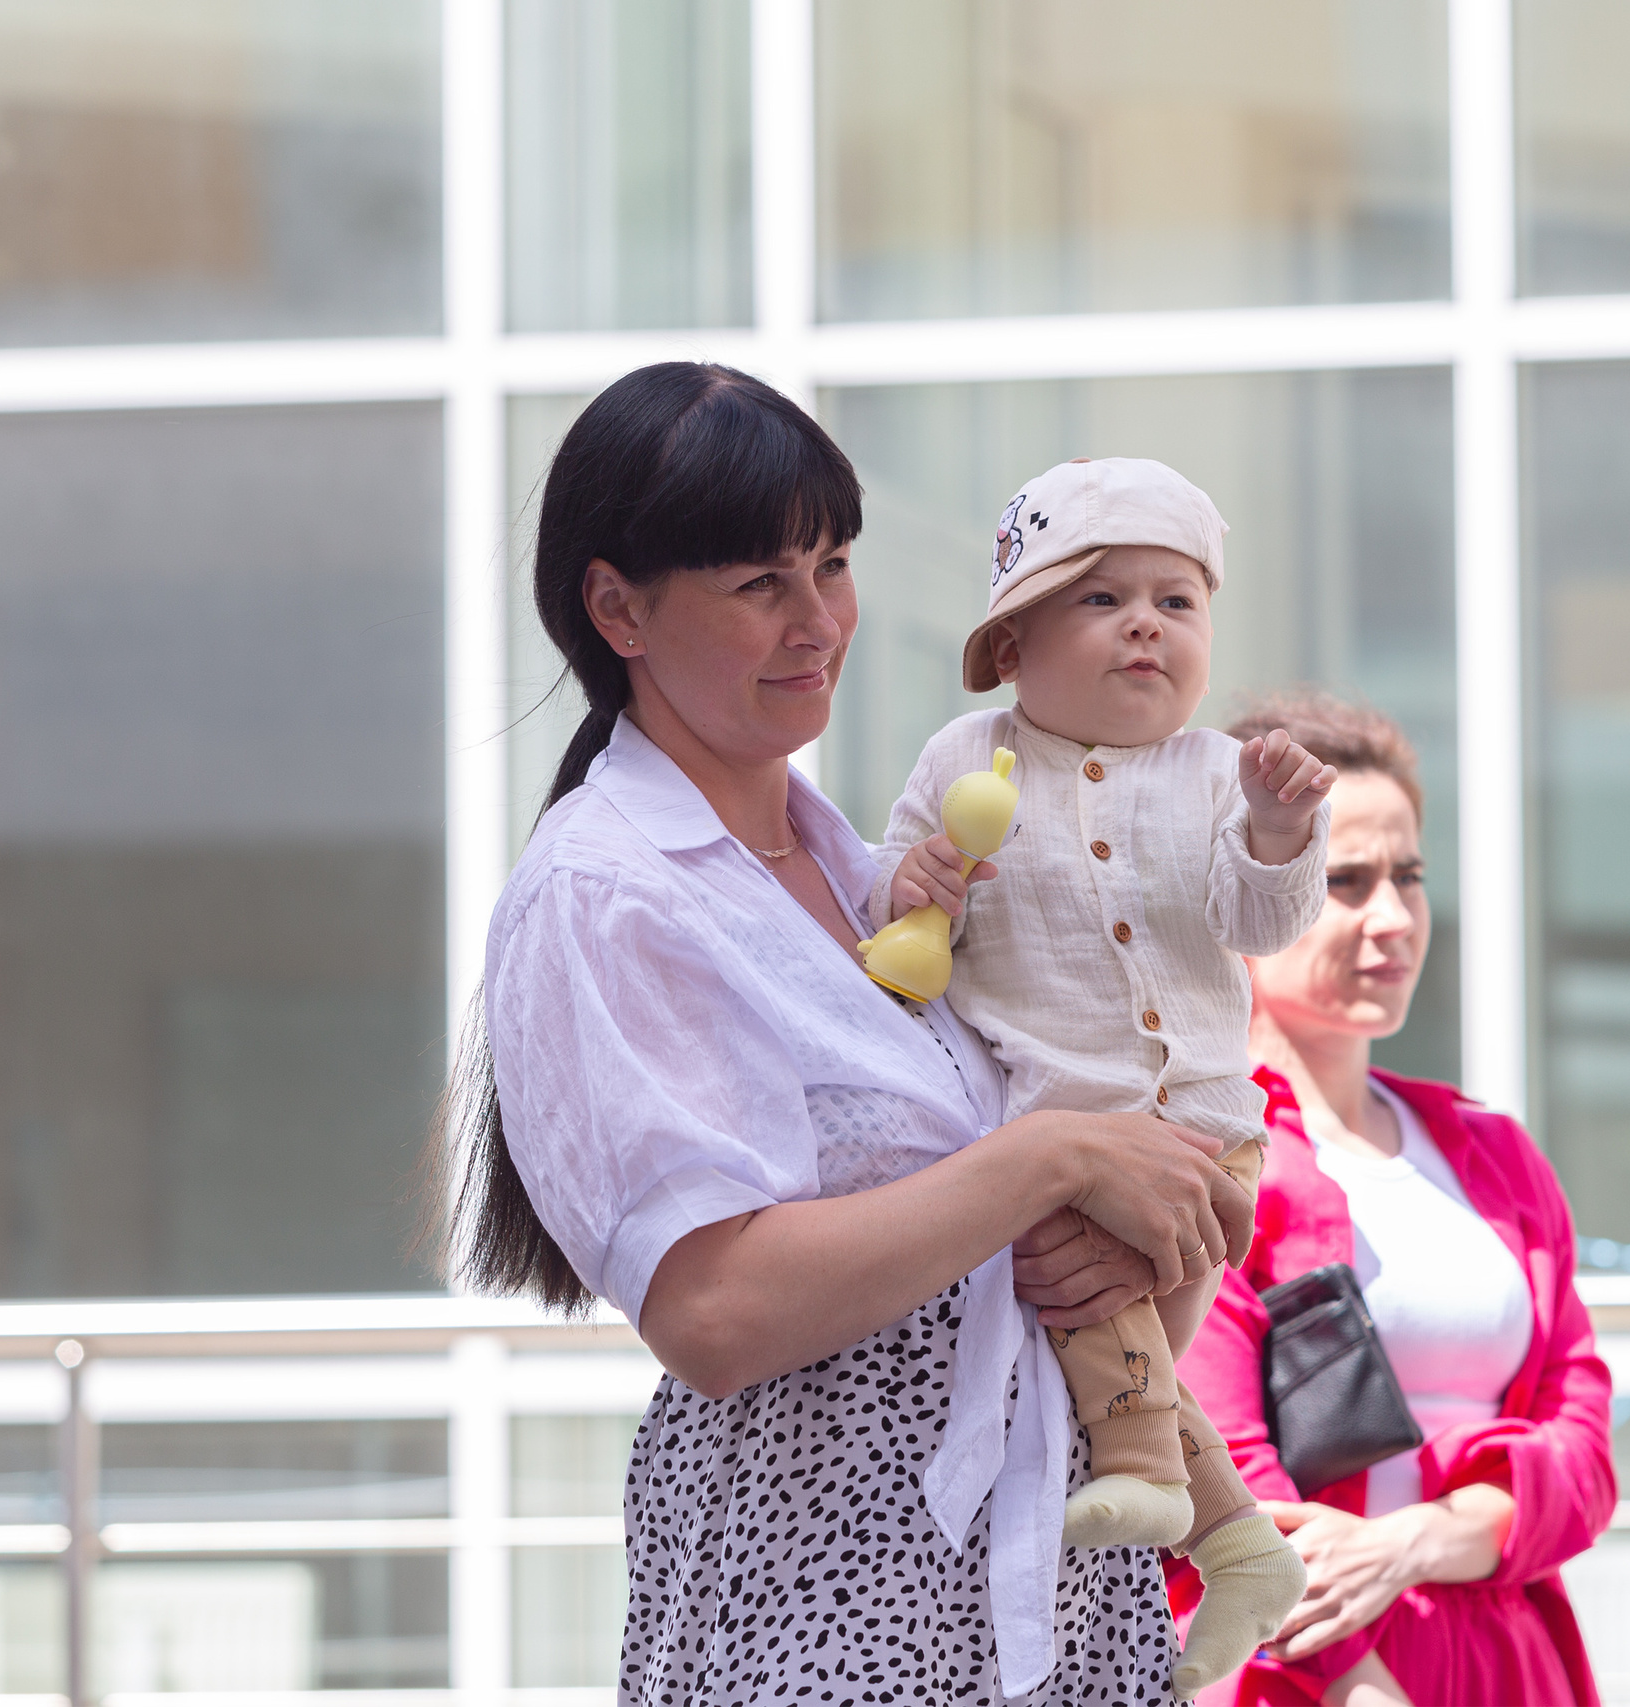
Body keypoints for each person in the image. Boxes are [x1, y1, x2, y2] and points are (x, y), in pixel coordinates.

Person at [450, 363, 1257, 1707]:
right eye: (759, 583)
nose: (818, 619)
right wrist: (1054, 1156)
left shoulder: (865, 856)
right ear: (616, 607)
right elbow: (712, 1308)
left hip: (1051, 1582)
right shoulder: (607, 889)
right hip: (825, 1595)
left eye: (832, 563)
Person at [876, 457, 1330, 1694]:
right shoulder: (968, 756)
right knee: (1099, 1335)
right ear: (1012, 645)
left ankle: (1149, 1486)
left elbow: (1258, 915)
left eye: (1176, 602)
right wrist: (912, 890)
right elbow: (899, 921)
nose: (1146, 624)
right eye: (1103, 599)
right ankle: (1235, 1542)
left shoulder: (1212, 773)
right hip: (1056, 1146)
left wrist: (1283, 834)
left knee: (1097, 1335)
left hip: (1201, 1134)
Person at [1172, 691, 1617, 1707]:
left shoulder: (1492, 1153)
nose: (1391, 918)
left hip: (1511, 1659)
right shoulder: (1203, 1157)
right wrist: (1359, 1686)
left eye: (1408, 878)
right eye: (1344, 882)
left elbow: (1584, 1447)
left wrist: (1416, 1542)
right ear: (1241, 896)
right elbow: (1223, 1477)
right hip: (1316, 1672)